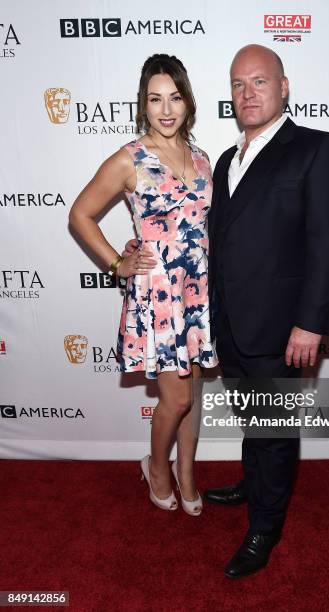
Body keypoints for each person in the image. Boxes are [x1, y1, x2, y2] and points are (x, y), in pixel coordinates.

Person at [124, 44, 329, 579]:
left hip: (284, 329)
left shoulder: (318, 149)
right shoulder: (224, 160)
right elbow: (204, 238)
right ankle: (253, 487)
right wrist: (130, 253)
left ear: (284, 86)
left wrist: (312, 322)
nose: (248, 94)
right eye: (238, 85)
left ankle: (265, 527)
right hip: (228, 324)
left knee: (274, 430)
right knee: (255, 423)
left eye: (260, 82)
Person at [69, 54, 217, 517]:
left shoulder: (201, 157)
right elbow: (80, 214)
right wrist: (117, 262)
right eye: (156, 99)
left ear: (188, 102)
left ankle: (187, 474)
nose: (166, 109)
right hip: (159, 295)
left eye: (174, 97)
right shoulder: (129, 158)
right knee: (174, 397)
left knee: (190, 392)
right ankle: (157, 466)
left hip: (197, 291)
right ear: (143, 105)